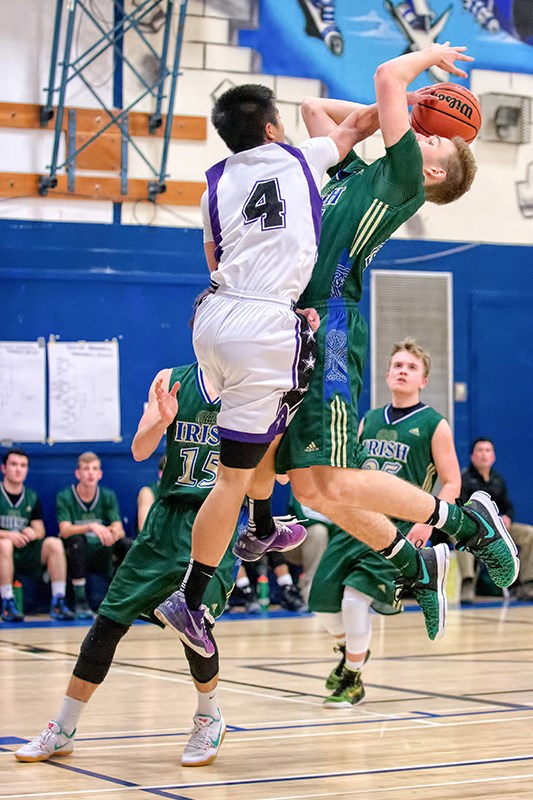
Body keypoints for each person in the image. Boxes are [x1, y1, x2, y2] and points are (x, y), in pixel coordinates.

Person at [234, 43, 519, 643]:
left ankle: (466, 525)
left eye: (437, 139)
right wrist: (409, 107)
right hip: (291, 325)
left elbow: (388, 72)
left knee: (331, 477)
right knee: (310, 487)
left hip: (331, 326)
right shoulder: (357, 174)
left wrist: (427, 62)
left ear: (432, 171)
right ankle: (415, 560)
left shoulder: (401, 178)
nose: (426, 133)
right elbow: (314, 109)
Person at [154, 82, 368, 654]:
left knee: (257, 433)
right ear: (273, 129)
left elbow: (215, 260)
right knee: (234, 469)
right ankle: (192, 596)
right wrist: (414, 107)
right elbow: (356, 129)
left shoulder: (215, 184)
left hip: (213, 317)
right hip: (264, 327)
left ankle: (266, 527)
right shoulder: (300, 158)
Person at [15, 362, 239, 766]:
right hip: (165, 522)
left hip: (214, 520)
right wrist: (162, 422)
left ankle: (209, 716)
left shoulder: (253, 388)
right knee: (109, 620)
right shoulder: (171, 378)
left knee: (194, 624)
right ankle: (63, 728)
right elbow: (139, 448)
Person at [310, 338, 461, 707]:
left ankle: (354, 678)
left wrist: (429, 522)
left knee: (353, 601)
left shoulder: (434, 424)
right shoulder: (369, 418)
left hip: (396, 529)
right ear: (388, 373)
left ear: (423, 380)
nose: (403, 372)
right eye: (397, 365)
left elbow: (452, 481)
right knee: (322, 605)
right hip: (355, 522)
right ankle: (351, 655)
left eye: (411, 367)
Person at [0, 448, 74, 622]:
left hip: (24, 551)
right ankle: (7, 601)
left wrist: (33, 532)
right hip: (3, 551)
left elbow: (40, 529)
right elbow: (7, 539)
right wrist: (8, 535)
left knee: (54, 543)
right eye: (14, 465)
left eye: (23, 465)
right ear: (4, 468)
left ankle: (58, 601)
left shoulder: (32, 496)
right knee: (4, 544)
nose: (18, 469)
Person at [458, 438, 533, 603]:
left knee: (529, 533)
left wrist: (507, 518)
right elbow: (461, 508)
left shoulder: (497, 479)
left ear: (493, 457)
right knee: (461, 538)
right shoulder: (464, 479)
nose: (484, 454)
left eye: (488, 450)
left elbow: (508, 507)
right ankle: (468, 584)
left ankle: (527, 584)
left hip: (499, 529)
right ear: (472, 456)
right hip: (473, 528)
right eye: (480, 450)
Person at [57, 452, 128, 620]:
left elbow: (119, 527)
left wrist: (114, 532)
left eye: (94, 469)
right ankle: (80, 601)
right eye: (86, 468)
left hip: (102, 549)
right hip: (79, 551)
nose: (90, 473)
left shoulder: (108, 495)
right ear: (77, 473)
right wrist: (91, 526)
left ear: (100, 474)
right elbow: (65, 530)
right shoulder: (65, 496)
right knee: (76, 541)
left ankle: (123, 598)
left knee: (127, 544)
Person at [136, 454, 166, 533]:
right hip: (154, 543)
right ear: (161, 474)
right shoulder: (148, 492)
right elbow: (145, 529)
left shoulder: (186, 492)